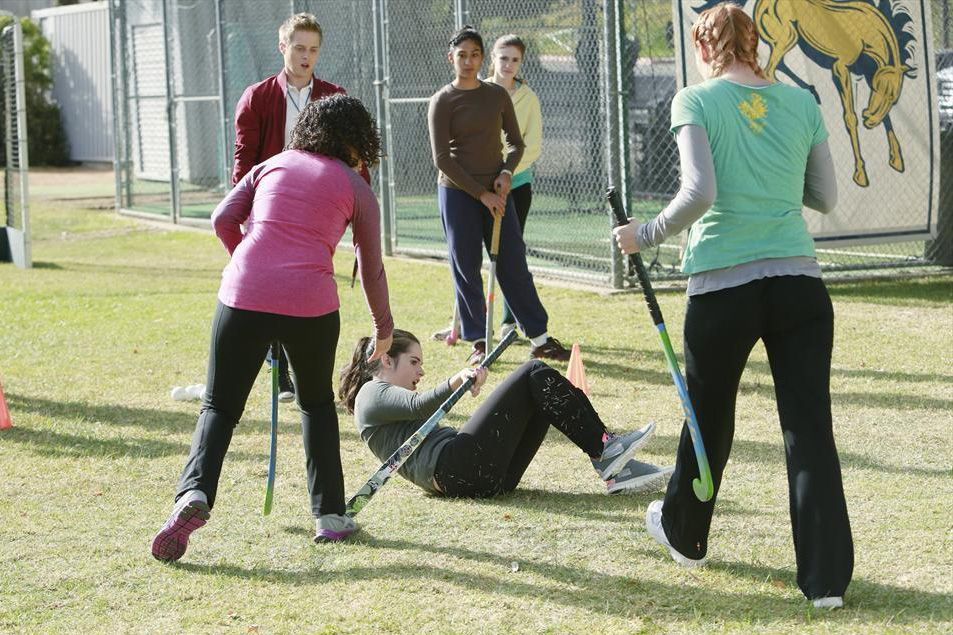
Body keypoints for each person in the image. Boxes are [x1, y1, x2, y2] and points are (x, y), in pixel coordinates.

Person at [612, 2, 852, 608]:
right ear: (756, 43)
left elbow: (700, 192)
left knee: (708, 419)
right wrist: (772, 174)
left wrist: (646, 234)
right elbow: (823, 195)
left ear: (704, 47)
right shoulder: (802, 102)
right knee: (808, 430)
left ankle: (685, 535)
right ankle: (825, 582)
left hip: (724, 283)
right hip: (800, 283)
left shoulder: (695, 99)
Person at [152, 95, 394, 562]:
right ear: (357, 141)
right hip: (312, 304)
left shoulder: (273, 164)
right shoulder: (358, 187)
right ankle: (328, 515)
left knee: (219, 405)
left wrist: (248, 261)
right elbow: (371, 266)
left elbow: (223, 219)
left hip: (244, 294)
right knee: (317, 405)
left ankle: (193, 495)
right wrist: (383, 327)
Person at [339, 330, 674, 500]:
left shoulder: (382, 398)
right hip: (457, 469)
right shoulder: (371, 393)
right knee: (533, 370)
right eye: (414, 362)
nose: (421, 372)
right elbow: (420, 406)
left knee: (538, 394)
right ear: (385, 360)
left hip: (479, 476)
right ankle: (607, 453)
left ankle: (612, 463)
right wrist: (457, 379)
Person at [232, 12, 368, 403]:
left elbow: (356, 157)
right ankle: (279, 370)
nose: (306, 57)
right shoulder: (257, 97)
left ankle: (298, 368)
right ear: (283, 47)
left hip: (318, 210)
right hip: (271, 210)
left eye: (313, 50)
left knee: (305, 283)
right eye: (299, 48)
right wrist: (246, 216)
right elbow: (244, 163)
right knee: (269, 285)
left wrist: (360, 210)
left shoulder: (334, 96)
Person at [428, 26, 571, 365]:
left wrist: (506, 173)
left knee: (512, 260)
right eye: (461, 55)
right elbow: (442, 159)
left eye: (474, 54)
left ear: (482, 58)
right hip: (458, 192)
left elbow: (517, 144)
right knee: (465, 264)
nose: (468, 61)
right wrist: (481, 195)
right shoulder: (442, 100)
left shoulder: (496, 95)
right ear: (452, 58)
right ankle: (479, 341)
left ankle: (539, 337)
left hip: (495, 191)